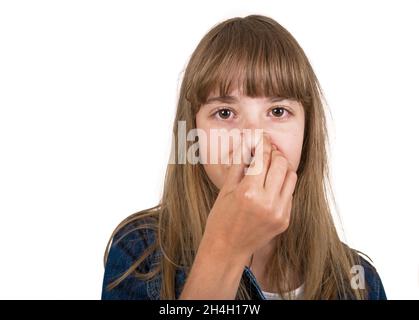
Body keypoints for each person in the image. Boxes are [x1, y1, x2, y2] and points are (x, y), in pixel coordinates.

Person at [101, 14, 387, 300]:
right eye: (225, 113)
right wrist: (226, 247)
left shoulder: (359, 280)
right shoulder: (140, 251)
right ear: (193, 135)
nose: (253, 139)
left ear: (306, 132)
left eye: (277, 112)